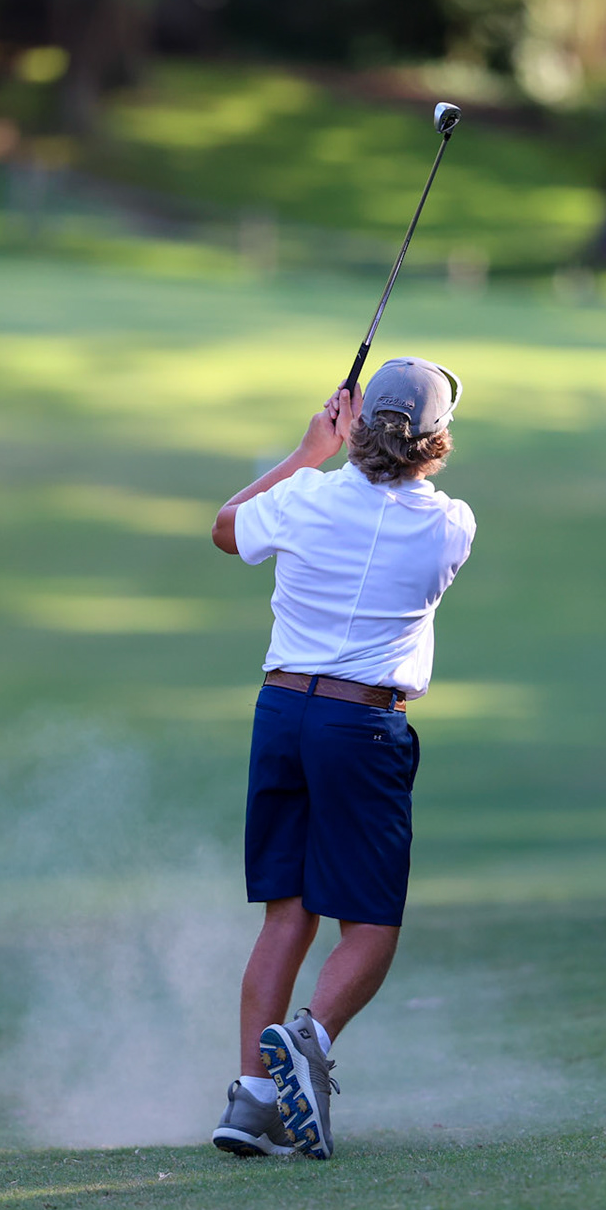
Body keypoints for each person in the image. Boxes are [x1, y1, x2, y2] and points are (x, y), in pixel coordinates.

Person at [206, 357, 475, 1159]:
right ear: (437, 441)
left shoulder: (303, 496)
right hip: (362, 726)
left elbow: (225, 528)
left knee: (287, 913)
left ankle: (253, 1099)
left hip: (281, 713)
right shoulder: (451, 525)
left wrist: (307, 452)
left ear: (356, 426)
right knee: (370, 924)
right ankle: (309, 1040)